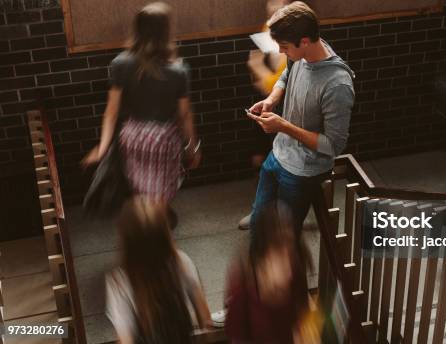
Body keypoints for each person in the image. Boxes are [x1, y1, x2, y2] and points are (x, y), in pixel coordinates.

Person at [82, 2, 201, 225]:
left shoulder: (119, 64)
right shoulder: (179, 69)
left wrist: (102, 147)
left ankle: (143, 232)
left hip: (133, 136)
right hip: (164, 139)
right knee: (160, 192)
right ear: (166, 31)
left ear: (137, 30)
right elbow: (184, 115)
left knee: (140, 189)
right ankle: (159, 228)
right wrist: (193, 146)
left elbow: (111, 112)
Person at [246, 1, 355, 234]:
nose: (279, 52)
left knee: (284, 238)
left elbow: (334, 145)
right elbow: (287, 72)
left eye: (283, 46)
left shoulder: (337, 84)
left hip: (301, 171)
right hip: (277, 155)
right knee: (258, 224)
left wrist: (284, 126)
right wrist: (272, 99)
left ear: (304, 41)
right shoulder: (302, 52)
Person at [106, 197, 213, 343]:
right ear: (165, 233)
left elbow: (126, 340)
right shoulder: (182, 263)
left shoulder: (119, 283)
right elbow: (206, 322)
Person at [225, 201, 312, 342]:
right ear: (261, 256)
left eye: (289, 249)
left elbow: (301, 320)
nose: (286, 261)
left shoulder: (296, 270)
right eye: (277, 250)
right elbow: (236, 337)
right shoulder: (242, 289)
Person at [239, 0, 291, 231]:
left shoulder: (290, 32)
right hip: (271, 108)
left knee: (276, 163)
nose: (271, 5)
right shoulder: (271, 26)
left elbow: (274, 82)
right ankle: (268, 211)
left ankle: (271, 214)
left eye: (278, 1)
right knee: (264, 161)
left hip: (284, 109)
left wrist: (258, 67)